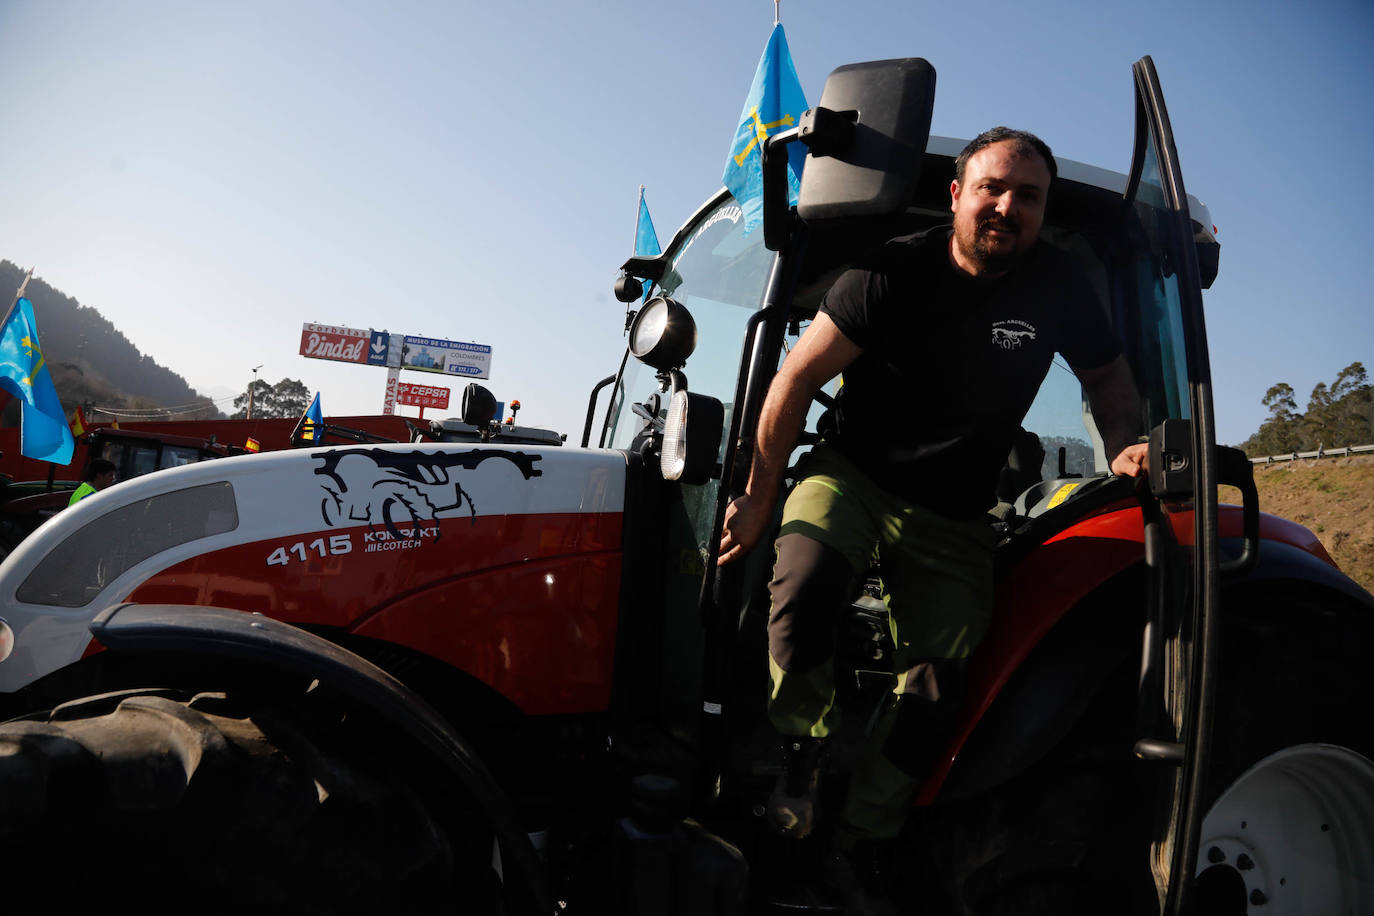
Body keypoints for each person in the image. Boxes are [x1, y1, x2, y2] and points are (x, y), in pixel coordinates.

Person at [717, 127, 1149, 911]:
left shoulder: (1056, 287)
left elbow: (1110, 381)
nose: (1007, 206)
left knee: (939, 681)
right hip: (854, 475)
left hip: (954, 509)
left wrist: (1126, 451)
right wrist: (755, 498)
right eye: (992, 187)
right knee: (805, 577)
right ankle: (804, 751)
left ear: (1042, 211)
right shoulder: (891, 270)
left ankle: (863, 838)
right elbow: (792, 383)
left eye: (1027, 196)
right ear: (958, 195)